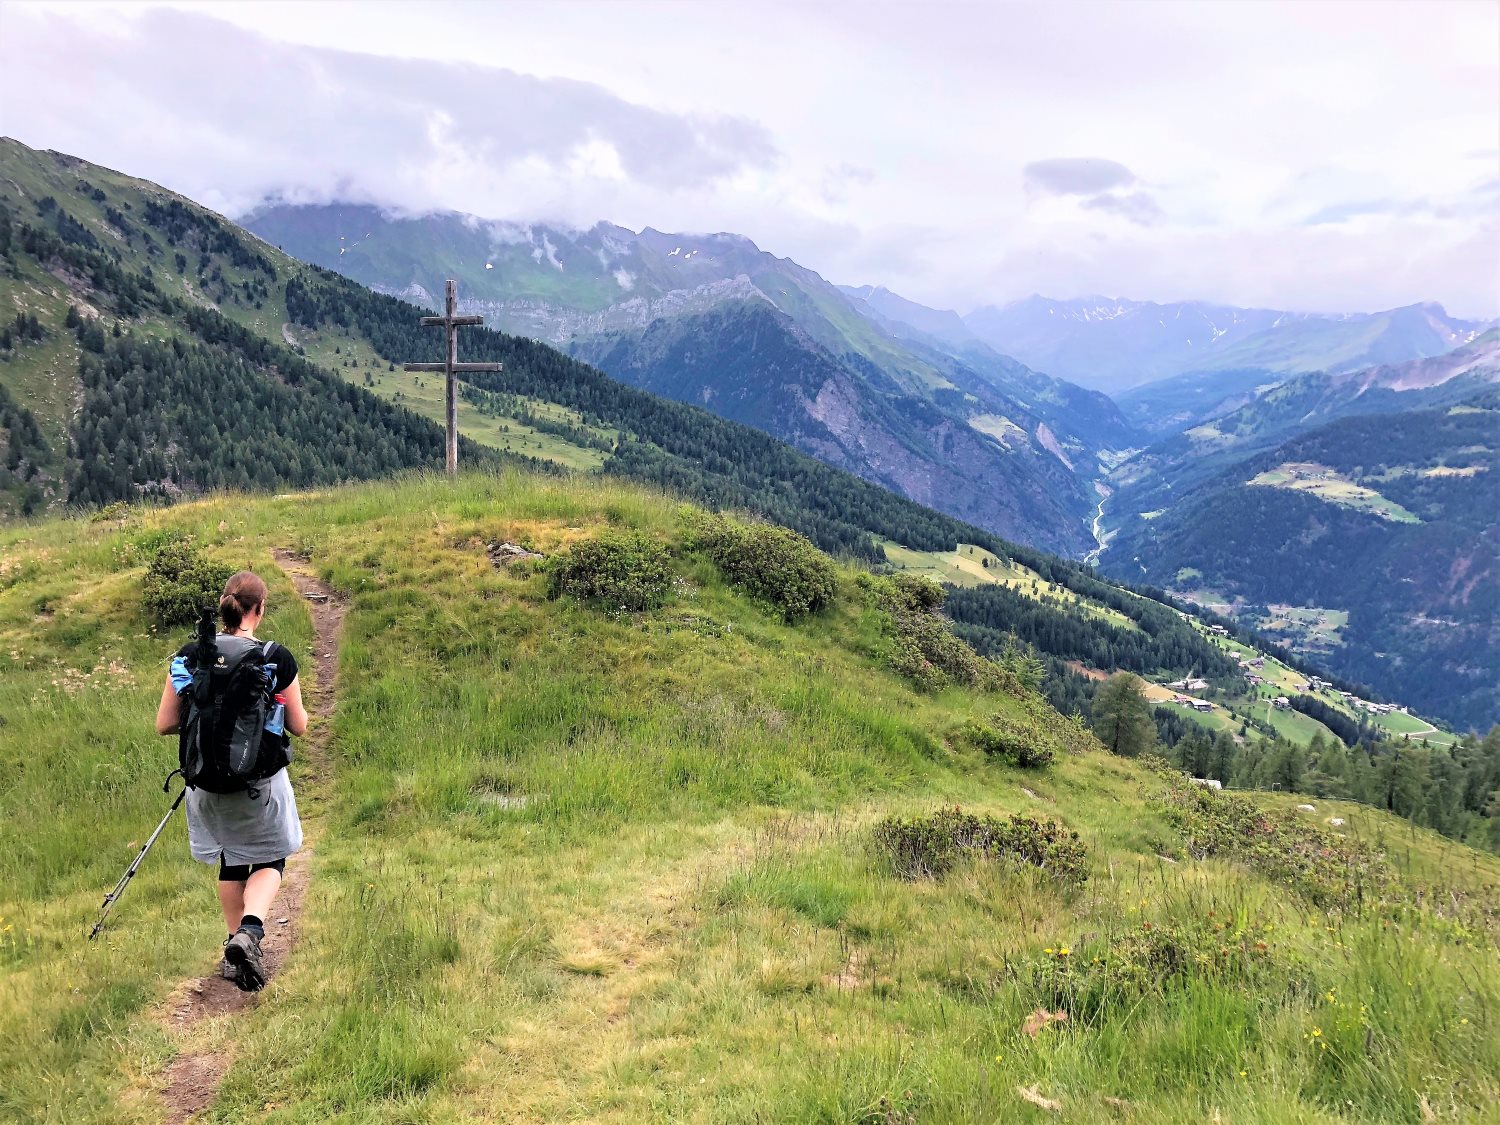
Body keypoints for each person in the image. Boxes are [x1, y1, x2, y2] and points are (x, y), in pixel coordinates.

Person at [154, 571, 309, 991]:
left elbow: (165, 724)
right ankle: (251, 932)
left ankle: (232, 947)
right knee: (272, 858)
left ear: (224, 605)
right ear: (260, 609)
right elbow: (299, 726)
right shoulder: (274, 657)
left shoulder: (191, 654)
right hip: (259, 785)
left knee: (232, 860)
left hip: (203, 785)